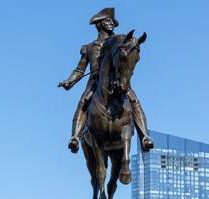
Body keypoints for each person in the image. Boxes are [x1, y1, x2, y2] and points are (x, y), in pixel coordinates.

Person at [58, 7, 153, 154]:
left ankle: (145, 137)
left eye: (113, 22)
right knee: (84, 100)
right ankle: (75, 137)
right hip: (96, 81)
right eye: (108, 21)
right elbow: (79, 70)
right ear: (100, 24)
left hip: (118, 80)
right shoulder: (88, 47)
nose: (112, 24)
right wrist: (69, 81)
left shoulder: (119, 41)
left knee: (134, 100)